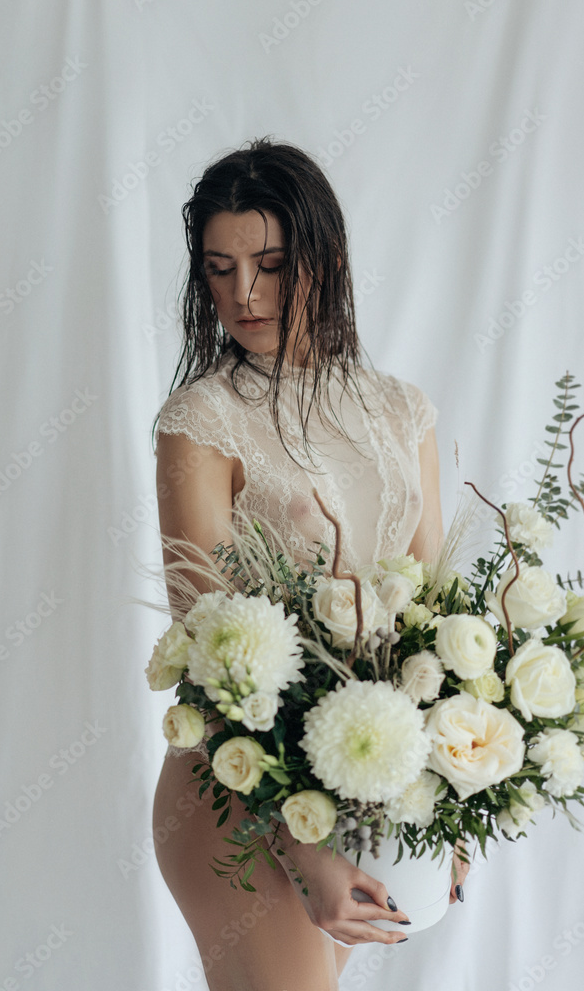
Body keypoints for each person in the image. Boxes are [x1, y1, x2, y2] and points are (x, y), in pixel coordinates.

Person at [151, 137, 468, 991]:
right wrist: (302, 847)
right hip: (237, 792)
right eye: (218, 269)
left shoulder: (401, 411)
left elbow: (435, 623)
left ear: (322, 260)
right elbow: (208, 647)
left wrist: (449, 807)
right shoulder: (199, 420)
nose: (242, 295)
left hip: (361, 789)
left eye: (270, 264)